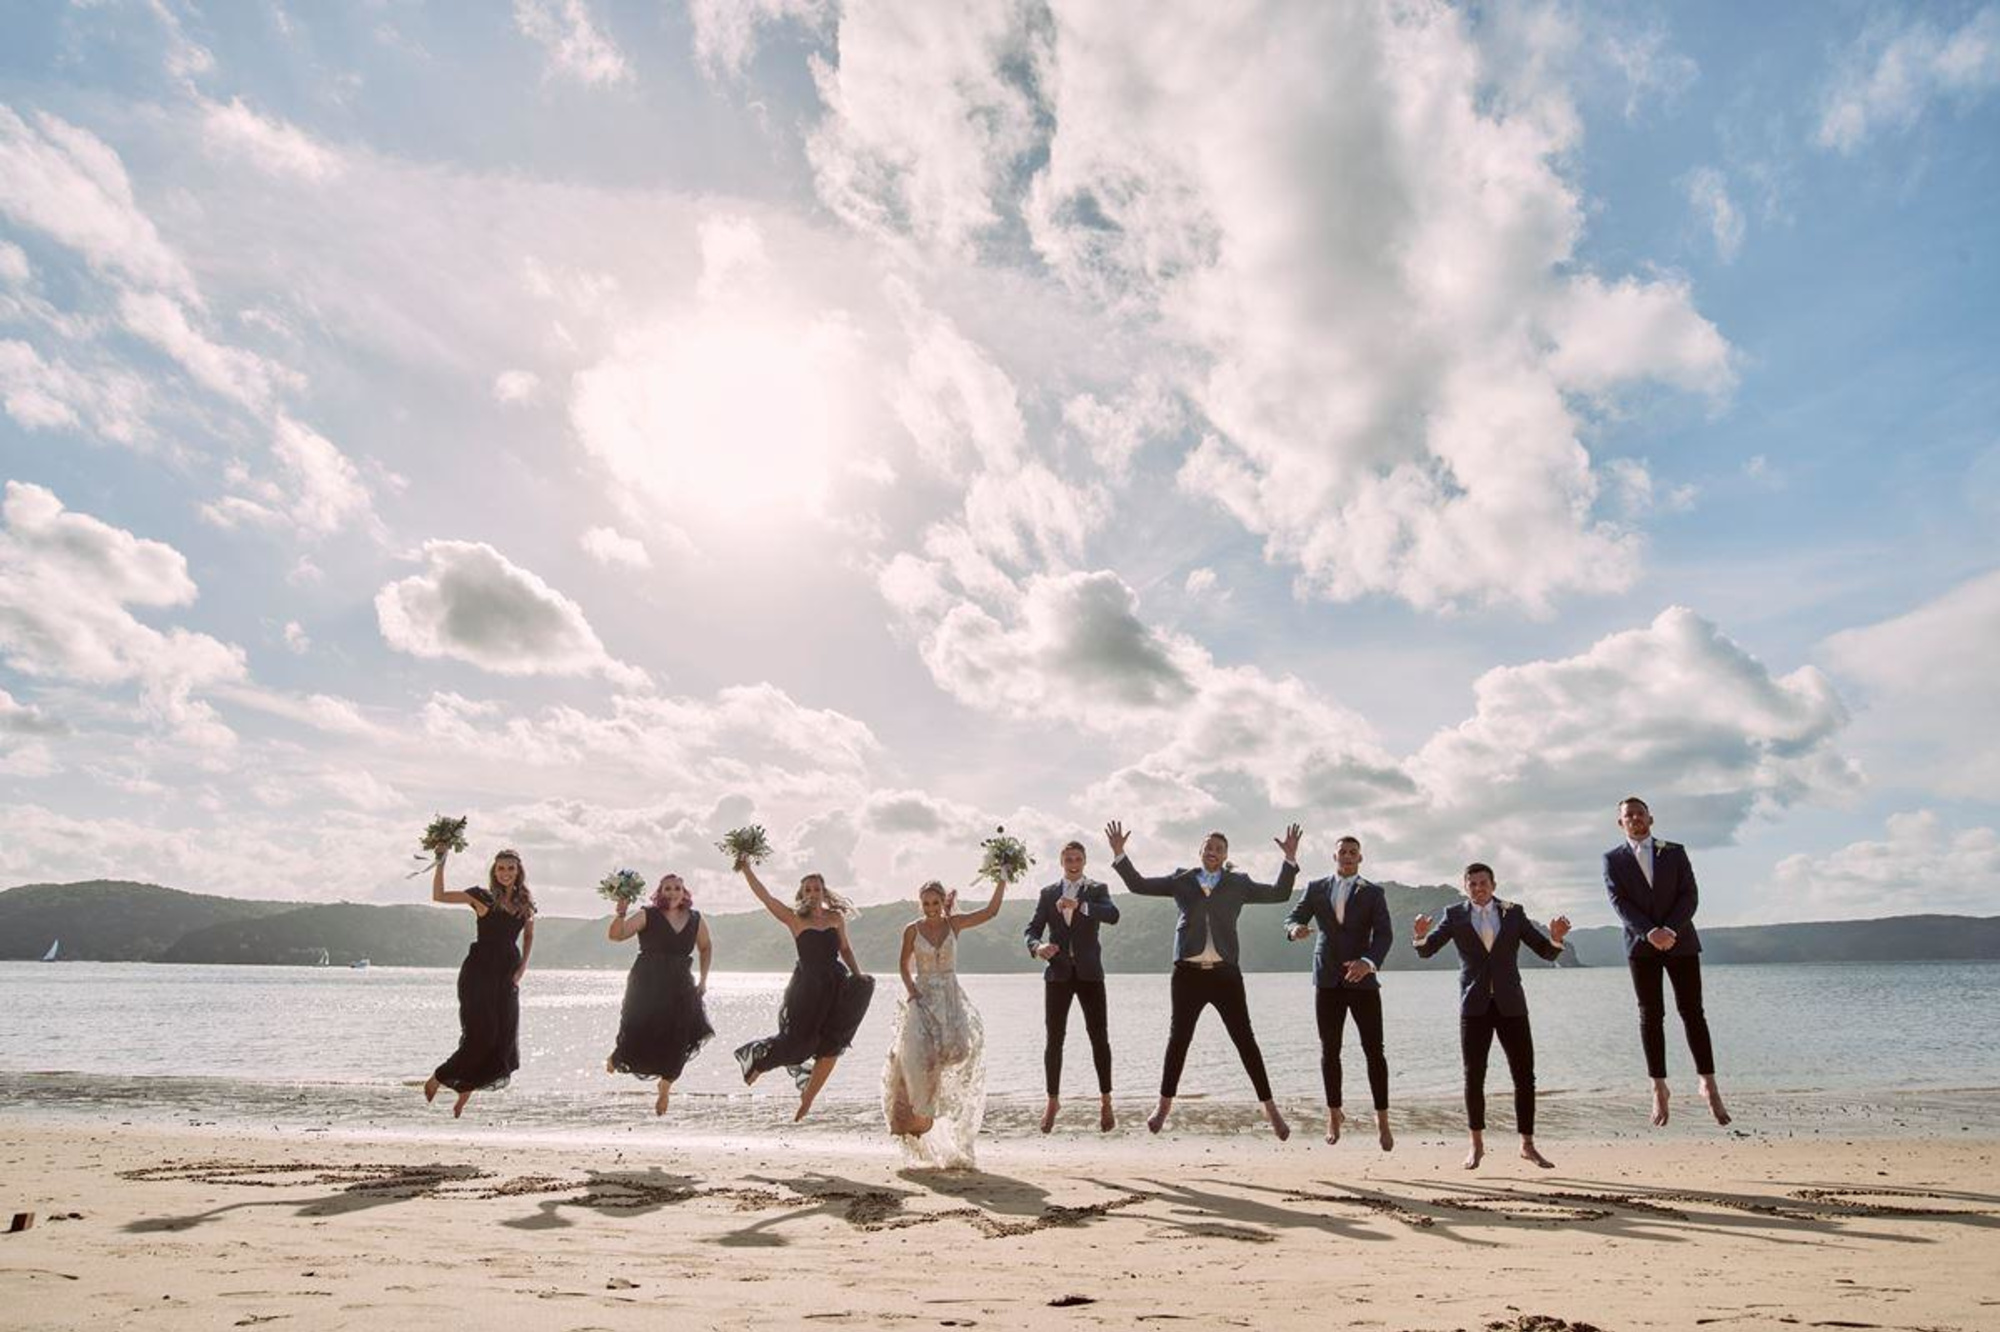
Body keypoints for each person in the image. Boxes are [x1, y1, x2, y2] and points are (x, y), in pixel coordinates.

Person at [1107, 819, 1301, 1139]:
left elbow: (1280, 893)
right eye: (1208, 847)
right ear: (1200, 852)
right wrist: (1120, 854)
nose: (1213, 851)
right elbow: (1138, 885)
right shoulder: (1181, 880)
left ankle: (1271, 1110)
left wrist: (1290, 859)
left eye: (1219, 848)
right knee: (1178, 1040)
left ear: (1226, 855)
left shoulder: (1238, 883)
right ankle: (1163, 1107)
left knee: (1246, 1041)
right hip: (1187, 974)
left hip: (1225, 974)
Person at [1412, 863, 1570, 1169]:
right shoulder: (1454, 915)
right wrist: (1419, 936)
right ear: (1465, 886)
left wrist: (1555, 937)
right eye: (1472, 884)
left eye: (1483, 882)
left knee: (1525, 1077)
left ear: (1494, 885)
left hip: (1512, 1004)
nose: (1478, 888)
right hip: (1474, 1006)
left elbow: (1545, 952)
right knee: (1474, 1077)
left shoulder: (1514, 912)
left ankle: (1527, 1144)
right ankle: (1476, 1146)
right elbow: (1427, 950)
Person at [1603, 796, 1729, 1128]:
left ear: (1650, 818)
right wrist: (1650, 932)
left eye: (1639, 814)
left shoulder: (1674, 851)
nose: (1634, 819)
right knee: (1650, 1016)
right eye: (1628, 816)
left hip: (1681, 941)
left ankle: (1708, 1083)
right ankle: (1658, 1087)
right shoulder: (1612, 859)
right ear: (1621, 823)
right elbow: (1619, 902)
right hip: (1641, 946)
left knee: (1692, 1012)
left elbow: (1690, 895)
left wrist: (1670, 929)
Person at [731, 857, 875, 1121]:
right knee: (800, 1045)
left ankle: (808, 1098)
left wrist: (858, 976)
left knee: (833, 1044)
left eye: (816, 888)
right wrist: (748, 870)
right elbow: (766, 898)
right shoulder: (794, 918)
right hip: (807, 990)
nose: (812, 893)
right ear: (801, 894)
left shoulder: (835, 917)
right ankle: (760, 1063)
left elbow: (845, 949)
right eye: (807, 889)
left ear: (823, 892)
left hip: (834, 984)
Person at [883, 874, 1009, 1168]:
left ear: (943, 902)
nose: (931, 908)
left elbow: (990, 912)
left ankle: (944, 1115)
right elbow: (903, 964)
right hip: (922, 999)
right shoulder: (912, 930)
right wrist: (911, 991)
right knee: (919, 1061)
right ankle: (918, 1118)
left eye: (935, 903)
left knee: (960, 1053)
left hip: (950, 998)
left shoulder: (954, 924)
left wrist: (1002, 878)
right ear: (921, 904)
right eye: (926, 903)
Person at [1284, 834, 1394, 1149]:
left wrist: (1368, 962)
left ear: (1361, 858)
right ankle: (1334, 1114)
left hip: (1363, 980)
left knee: (1375, 1051)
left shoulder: (1373, 893)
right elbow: (1293, 917)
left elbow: (1385, 935)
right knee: (1329, 1050)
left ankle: (1382, 1119)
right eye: (1342, 852)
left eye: (1353, 852)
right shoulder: (1316, 887)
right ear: (1334, 857)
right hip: (1327, 979)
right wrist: (1295, 930)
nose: (1347, 856)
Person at [423, 847, 535, 1118]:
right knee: (481, 1034)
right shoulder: (481, 897)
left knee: (502, 1037)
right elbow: (438, 896)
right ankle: (440, 1076)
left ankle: (467, 1087)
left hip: (507, 972)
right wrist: (441, 861)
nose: (505, 873)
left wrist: (521, 970)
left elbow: (529, 936)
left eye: (510, 868)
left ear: (518, 871)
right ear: (494, 872)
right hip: (479, 972)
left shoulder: (524, 902)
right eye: (500, 868)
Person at [1023, 839, 1121, 1134]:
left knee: (1099, 1038)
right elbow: (1031, 929)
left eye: (1078, 858)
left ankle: (1106, 1101)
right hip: (1058, 974)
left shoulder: (1097, 890)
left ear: (1085, 860)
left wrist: (1081, 905)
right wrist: (1037, 946)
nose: (1074, 863)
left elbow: (1114, 916)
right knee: (1054, 1040)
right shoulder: (1048, 893)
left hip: (1091, 974)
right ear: (1062, 861)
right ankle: (1052, 1101)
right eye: (1068, 859)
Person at [605, 873, 715, 1116]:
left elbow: (706, 947)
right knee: (637, 1029)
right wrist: (621, 913)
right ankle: (618, 1055)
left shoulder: (696, 919)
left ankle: (665, 1088)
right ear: (660, 892)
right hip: (646, 983)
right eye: (667, 888)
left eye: (677, 887)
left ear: (684, 892)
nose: (673, 892)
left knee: (681, 1036)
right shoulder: (648, 914)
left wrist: (704, 980)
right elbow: (616, 935)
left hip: (680, 985)